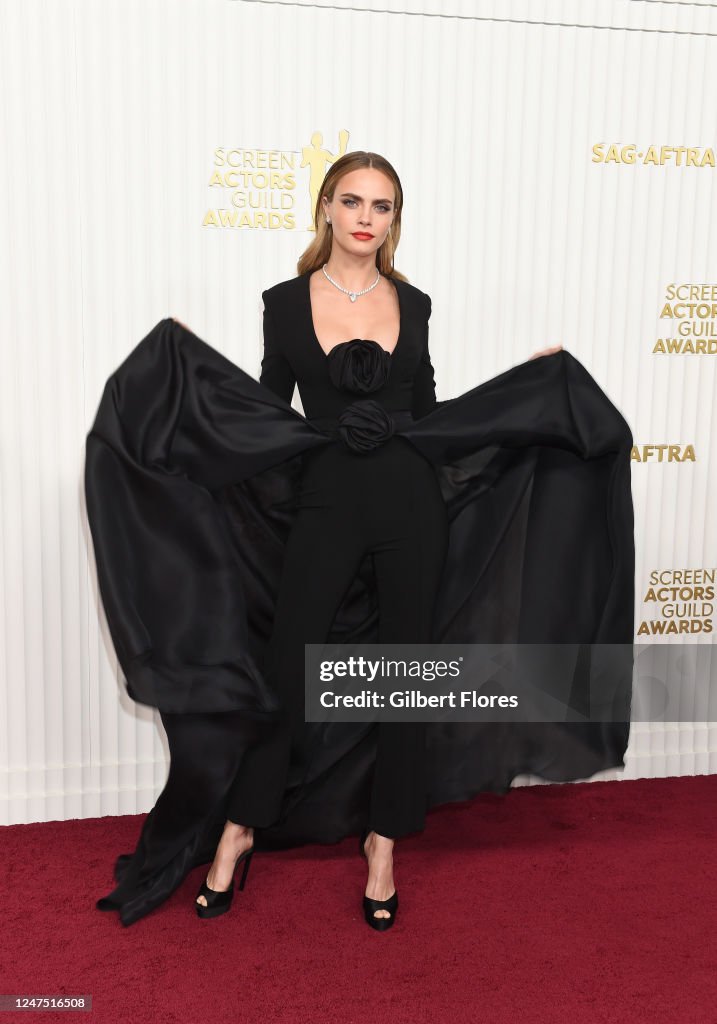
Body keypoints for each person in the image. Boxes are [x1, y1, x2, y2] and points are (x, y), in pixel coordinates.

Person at [85, 151, 635, 930]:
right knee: (288, 671)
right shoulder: (283, 302)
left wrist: (527, 389)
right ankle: (239, 830)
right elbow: (264, 414)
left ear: (392, 220)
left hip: (412, 508)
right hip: (327, 505)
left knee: (403, 676)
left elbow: (437, 417)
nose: (365, 217)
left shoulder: (414, 304)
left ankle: (382, 843)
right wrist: (188, 368)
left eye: (381, 205)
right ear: (326, 210)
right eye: (352, 201)